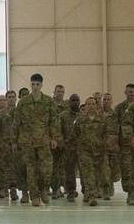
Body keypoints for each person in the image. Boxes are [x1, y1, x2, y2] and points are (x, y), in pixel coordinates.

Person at [13, 73, 60, 207]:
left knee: (46, 168)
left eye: (37, 85)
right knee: (31, 169)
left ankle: (44, 189)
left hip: (43, 140)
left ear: (42, 85)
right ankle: (35, 196)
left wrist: (54, 137)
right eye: (33, 84)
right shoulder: (23, 102)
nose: (35, 87)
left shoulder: (48, 102)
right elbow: (17, 122)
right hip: (27, 141)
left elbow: (54, 121)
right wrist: (14, 140)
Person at [71, 96, 116, 206]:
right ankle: (91, 195)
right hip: (85, 151)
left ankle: (105, 189)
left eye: (93, 104)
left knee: (104, 172)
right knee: (88, 173)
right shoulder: (80, 120)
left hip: (101, 151)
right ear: (85, 106)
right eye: (88, 104)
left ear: (96, 105)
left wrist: (110, 143)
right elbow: (74, 134)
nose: (91, 106)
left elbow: (109, 133)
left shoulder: (103, 119)